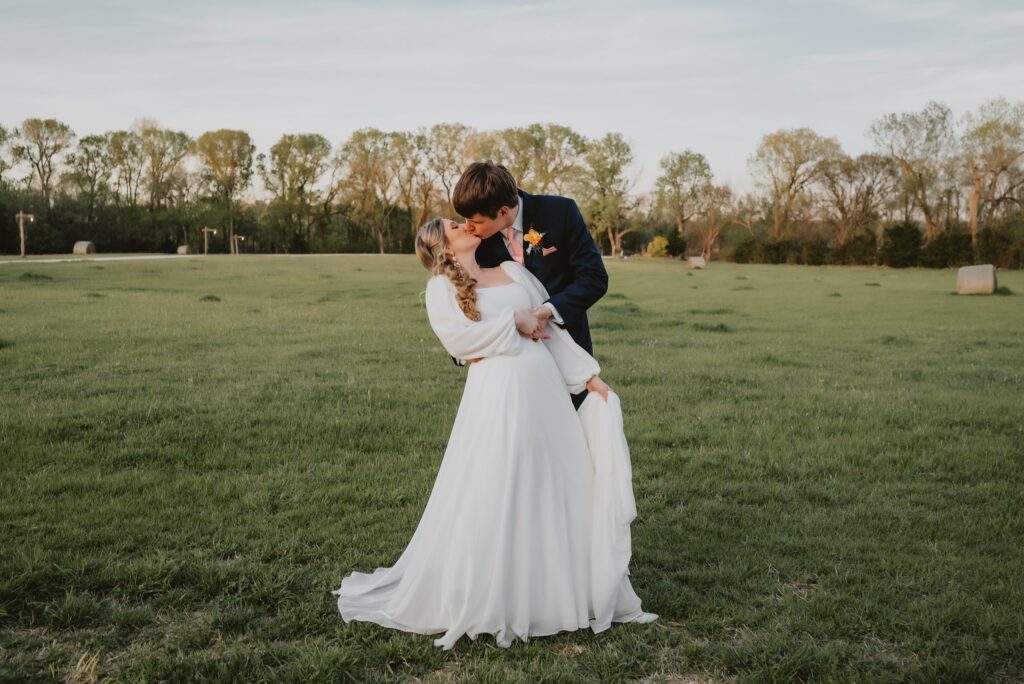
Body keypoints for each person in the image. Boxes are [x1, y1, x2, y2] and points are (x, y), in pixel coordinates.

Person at [331, 218, 656, 650]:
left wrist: (588, 377)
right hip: (498, 396)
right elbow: (459, 344)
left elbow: (552, 331)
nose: (463, 222)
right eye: (452, 224)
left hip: (545, 391)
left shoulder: (514, 272)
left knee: (560, 480)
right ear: (443, 245)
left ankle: (565, 589)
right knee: (503, 482)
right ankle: (502, 591)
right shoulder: (440, 289)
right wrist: (513, 323)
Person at [451, 161, 608, 410]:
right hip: (510, 363)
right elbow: (467, 289)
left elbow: (594, 278)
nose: (468, 227)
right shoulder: (475, 240)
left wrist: (548, 311)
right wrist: (466, 347)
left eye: (475, 221)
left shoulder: (561, 212)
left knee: (573, 431)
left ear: (503, 211)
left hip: (566, 345)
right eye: (465, 220)